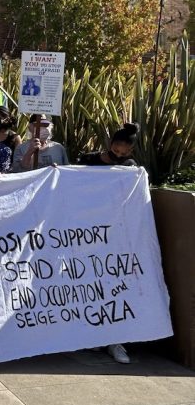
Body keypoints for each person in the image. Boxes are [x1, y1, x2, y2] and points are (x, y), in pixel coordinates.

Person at [76, 122, 139, 365]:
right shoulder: (88, 160)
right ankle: (94, 336)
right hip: (86, 234)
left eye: (125, 150)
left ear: (131, 151)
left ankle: (115, 341)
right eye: (117, 147)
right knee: (90, 283)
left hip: (116, 236)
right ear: (111, 142)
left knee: (115, 286)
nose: (120, 153)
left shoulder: (131, 168)